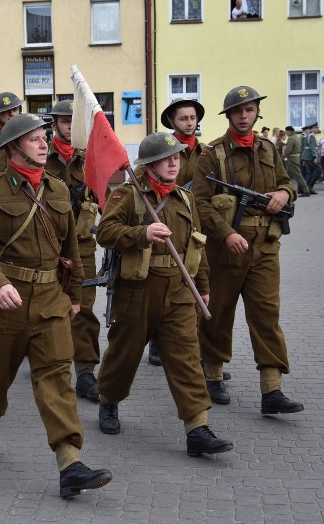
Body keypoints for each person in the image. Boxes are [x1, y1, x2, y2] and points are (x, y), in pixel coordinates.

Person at [0, 113, 112, 498]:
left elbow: (71, 248)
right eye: (34, 140)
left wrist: (75, 295)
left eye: (44, 137)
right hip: (5, 303)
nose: (44, 144)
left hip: (50, 302)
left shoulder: (58, 190)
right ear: (13, 148)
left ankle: (69, 461)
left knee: (57, 380)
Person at [95, 132, 233, 457]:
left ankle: (197, 428)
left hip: (179, 292)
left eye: (177, 157)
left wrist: (204, 288)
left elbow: (198, 248)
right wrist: (141, 232)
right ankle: (109, 400)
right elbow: (104, 232)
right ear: (149, 164)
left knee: (186, 358)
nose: (175, 163)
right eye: (166, 158)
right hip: (139, 290)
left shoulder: (185, 199)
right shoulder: (129, 195)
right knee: (124, 354)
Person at [191, 85, 304, 415]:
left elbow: (287, 183)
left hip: (266, 247)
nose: (244, 116)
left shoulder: (269, 149)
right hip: (226, 249)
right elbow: (199, 201)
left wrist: (285, 194)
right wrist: (225, 233)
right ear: (228, 116)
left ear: (257, 113)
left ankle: (272, 390)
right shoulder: (211, 154)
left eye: (250, 110)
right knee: (218, 313)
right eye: (238, 111)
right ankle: (212, 376)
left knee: (266, 316)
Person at [44, 99, 102, 400]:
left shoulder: (91, 158)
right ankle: (48, 365)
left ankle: (86, 372)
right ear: (54, 124)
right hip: (44, 246)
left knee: (84, 309)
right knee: (45, 307)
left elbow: (107, 199)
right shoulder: (39, 155)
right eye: (64, 121)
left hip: (82, 247)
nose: (69, 126)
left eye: (74, 121)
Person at [148, 97, 208, 366]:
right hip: (163, 218)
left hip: (193, 218)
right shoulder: (161, 148)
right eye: (183, 118)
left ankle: (193, 352)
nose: (189, 122)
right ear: (172, 121)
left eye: (193, 118)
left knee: (194, 285)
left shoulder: (206, 153)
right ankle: (157, 344)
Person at [283, 125, 309, 197]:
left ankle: (306, 191)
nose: (286, 133)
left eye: (286, 132)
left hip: (292, 159)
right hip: (296, 157)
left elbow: (288, 150)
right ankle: (282, 189)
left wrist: (284, 156)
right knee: (287, 176)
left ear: (289, 131)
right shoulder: (297, 137)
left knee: (298, 175)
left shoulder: (291, 138)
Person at [300, 123, 321, 195]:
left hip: (307, 157)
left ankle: (307, 189)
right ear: (312, 129)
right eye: (316, 128)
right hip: (310, 157)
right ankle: (309, 187)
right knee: (319, 170)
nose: (318, 129)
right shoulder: (311, 136)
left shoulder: (309, 136)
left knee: (310, 172)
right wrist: (315, 157)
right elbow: (312, 148)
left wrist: (303, 158)